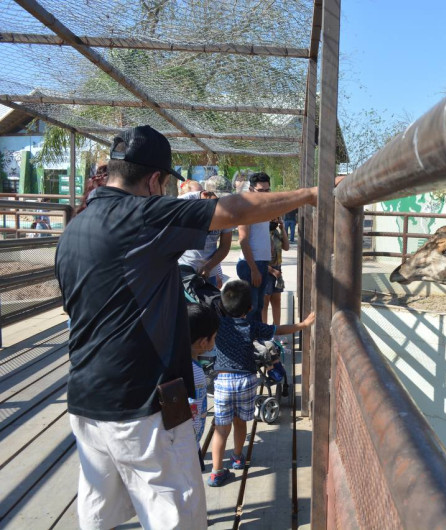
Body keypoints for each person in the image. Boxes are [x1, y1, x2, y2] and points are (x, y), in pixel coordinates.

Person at [54, 125, 322, 529]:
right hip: (143, 404)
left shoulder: (74, 228)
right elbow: (234, 210)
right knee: (175, 516)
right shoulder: (144, 213)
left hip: (85, 399)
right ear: (155, 180)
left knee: (97, 514)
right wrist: (311, 194)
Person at [208, 280, 315, 487]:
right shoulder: (251, 326)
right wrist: (302, 325)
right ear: (249, 308)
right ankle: (238, 458)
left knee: (221, 429)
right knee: (240, 422)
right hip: (246, 380)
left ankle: (216, 472)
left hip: (223, 382)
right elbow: (278, 330)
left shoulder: (218, 324)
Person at [187, 303, 220, 473]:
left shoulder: (179, 363)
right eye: (213, 337)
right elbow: (192, 407)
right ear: (202, 342)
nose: (214, 342)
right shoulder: (196, 373)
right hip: (187, 447)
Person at [237, 172, 273, 323]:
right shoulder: (246, 209)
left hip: (262, 263)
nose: (264, 194)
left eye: (267, 190)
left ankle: (256, 340)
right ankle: (248, 342)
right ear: (251, 189)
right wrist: (253, 269)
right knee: (251, 308)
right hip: (251, 264)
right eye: (260, 190)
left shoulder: (265, 208)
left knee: (259, 306)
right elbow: (243, 240)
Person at [179, 189, 232, 287]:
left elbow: (225, 246)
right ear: (206, 194)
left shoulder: (226, 211)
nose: (221, 204)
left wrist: (208, 267)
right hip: (184, 270)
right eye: (218, 200)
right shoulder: (185, 201)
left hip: (209, 273)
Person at [266, 216, 290, 325]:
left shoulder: (276, 232)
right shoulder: (261, 234)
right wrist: (272, 271)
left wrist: (283, 228)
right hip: (266, 270)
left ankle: (277, 330)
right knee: (264, 303)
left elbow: (286, 247)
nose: (274, 221)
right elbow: (256, 257)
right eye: (272, 218)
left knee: (277, 301)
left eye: (276, 219)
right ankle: (265, 332)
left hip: (278, 270)